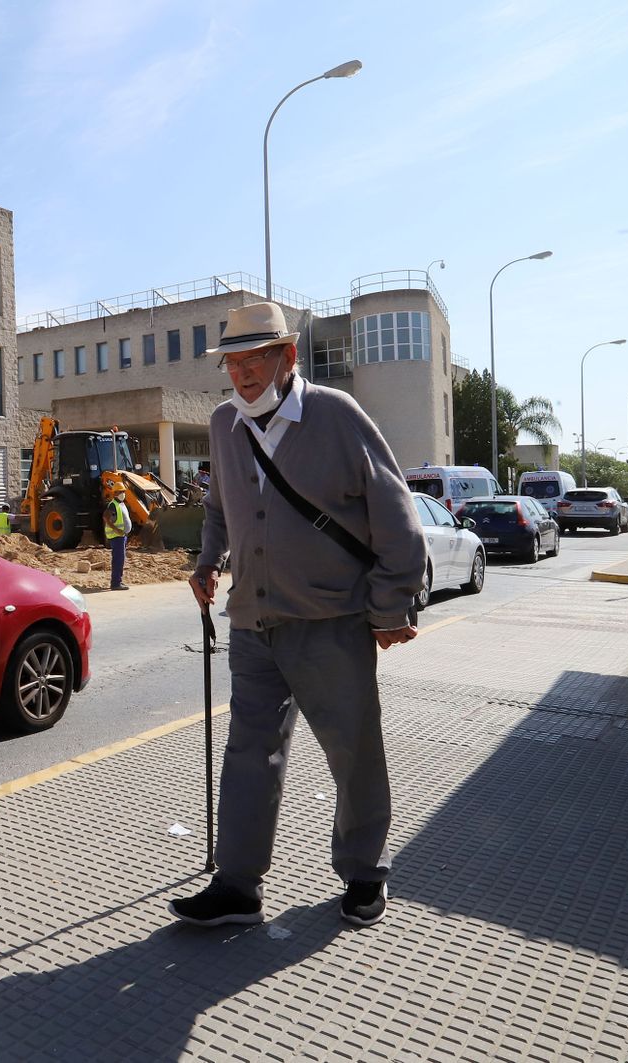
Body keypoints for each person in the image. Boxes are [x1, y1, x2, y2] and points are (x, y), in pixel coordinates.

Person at [169, 301, 425, 930]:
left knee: (353, 751)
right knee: (248, 753)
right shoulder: (226, 424)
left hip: (331, 622)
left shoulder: (336, 416)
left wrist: (392, 606)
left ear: (286, 357)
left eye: (253, 359)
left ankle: (365, 872)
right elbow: (221, 511)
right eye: (231, 362)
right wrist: (208, 561)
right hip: (253, 624)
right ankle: (237, 887)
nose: (240, 374)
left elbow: (398, 521)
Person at [104, 484, 132, 590]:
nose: (122, 494)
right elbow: (106, 517)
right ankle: (115, 583)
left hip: (121, 536)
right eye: (120, 492)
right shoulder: (113, 505)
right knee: (118, 560)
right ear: (115, 493)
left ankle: (118, 581)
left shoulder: (121, 504)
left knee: (120, 559)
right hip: (116, 537)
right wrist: (116, 529)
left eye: (123, 491)